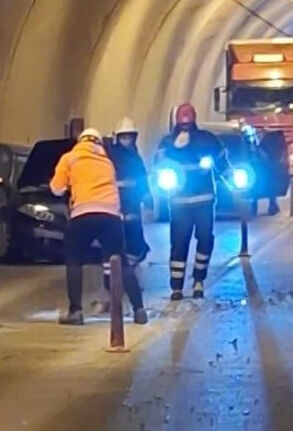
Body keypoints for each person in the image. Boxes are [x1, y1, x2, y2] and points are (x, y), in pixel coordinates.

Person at [50, 127, 147, 326]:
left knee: (74, 260)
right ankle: (139, 309)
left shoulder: (70, 158)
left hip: (82, 213)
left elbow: (56, 189)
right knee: (121, 262)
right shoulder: (107, 162)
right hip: (110, 215)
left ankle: (75, 312)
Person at [156, 103, 230, 301]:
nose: (185, 127)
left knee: (205, 239)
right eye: (182, 123)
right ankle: (177, 286)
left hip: (203, 200)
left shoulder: (207, 139)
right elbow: (159, 163)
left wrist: (230, 177)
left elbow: (221, 160)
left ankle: (199, 280)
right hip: (179, 202)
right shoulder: (167, 143)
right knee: (179, 243)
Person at [106, 117, 152, 267]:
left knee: (135, 239)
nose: (127, 141)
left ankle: (129, 266)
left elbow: (143, 180)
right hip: (116, 203)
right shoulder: (111, 157)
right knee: (119, 238)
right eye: (124, 137)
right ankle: (124, 270)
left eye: (129, 137)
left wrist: (148, 202)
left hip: (132, 203)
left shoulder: (135, 156)